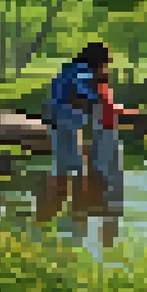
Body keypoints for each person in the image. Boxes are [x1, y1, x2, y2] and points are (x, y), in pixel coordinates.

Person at [37, 43, 108, 225]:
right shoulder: (84, 71)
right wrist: (97, 93)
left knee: (63, 164)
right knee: (76, 167)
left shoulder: (69, 68)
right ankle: (76, 211)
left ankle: (50, 211)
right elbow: (78, 93)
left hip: (56, 116)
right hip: (67, 115)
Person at [85, 48, 140, 247]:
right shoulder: (93, 84)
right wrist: (125, 112)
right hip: (103, 132)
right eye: (106, 63)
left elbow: (108, 107)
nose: (108, 67)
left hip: (107, 131)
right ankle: (108, 214)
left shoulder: (100, 84)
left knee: (111, 174)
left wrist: (123, 111)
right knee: (108, 174)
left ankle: (109, 216)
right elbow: (102, 108)